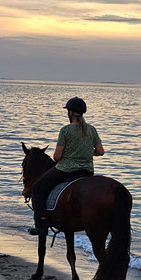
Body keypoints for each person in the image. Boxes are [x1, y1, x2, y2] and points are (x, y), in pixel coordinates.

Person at [29, 97, 104, 235]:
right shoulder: (92, 129)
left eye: (67, 111)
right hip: (87, 171)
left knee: (37, 188)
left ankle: (42, 223)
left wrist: (70, 155)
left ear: (70, 113)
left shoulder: (65, 130)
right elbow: (100, 151)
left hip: (66, 169)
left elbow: (57, 157)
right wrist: (85, 152)